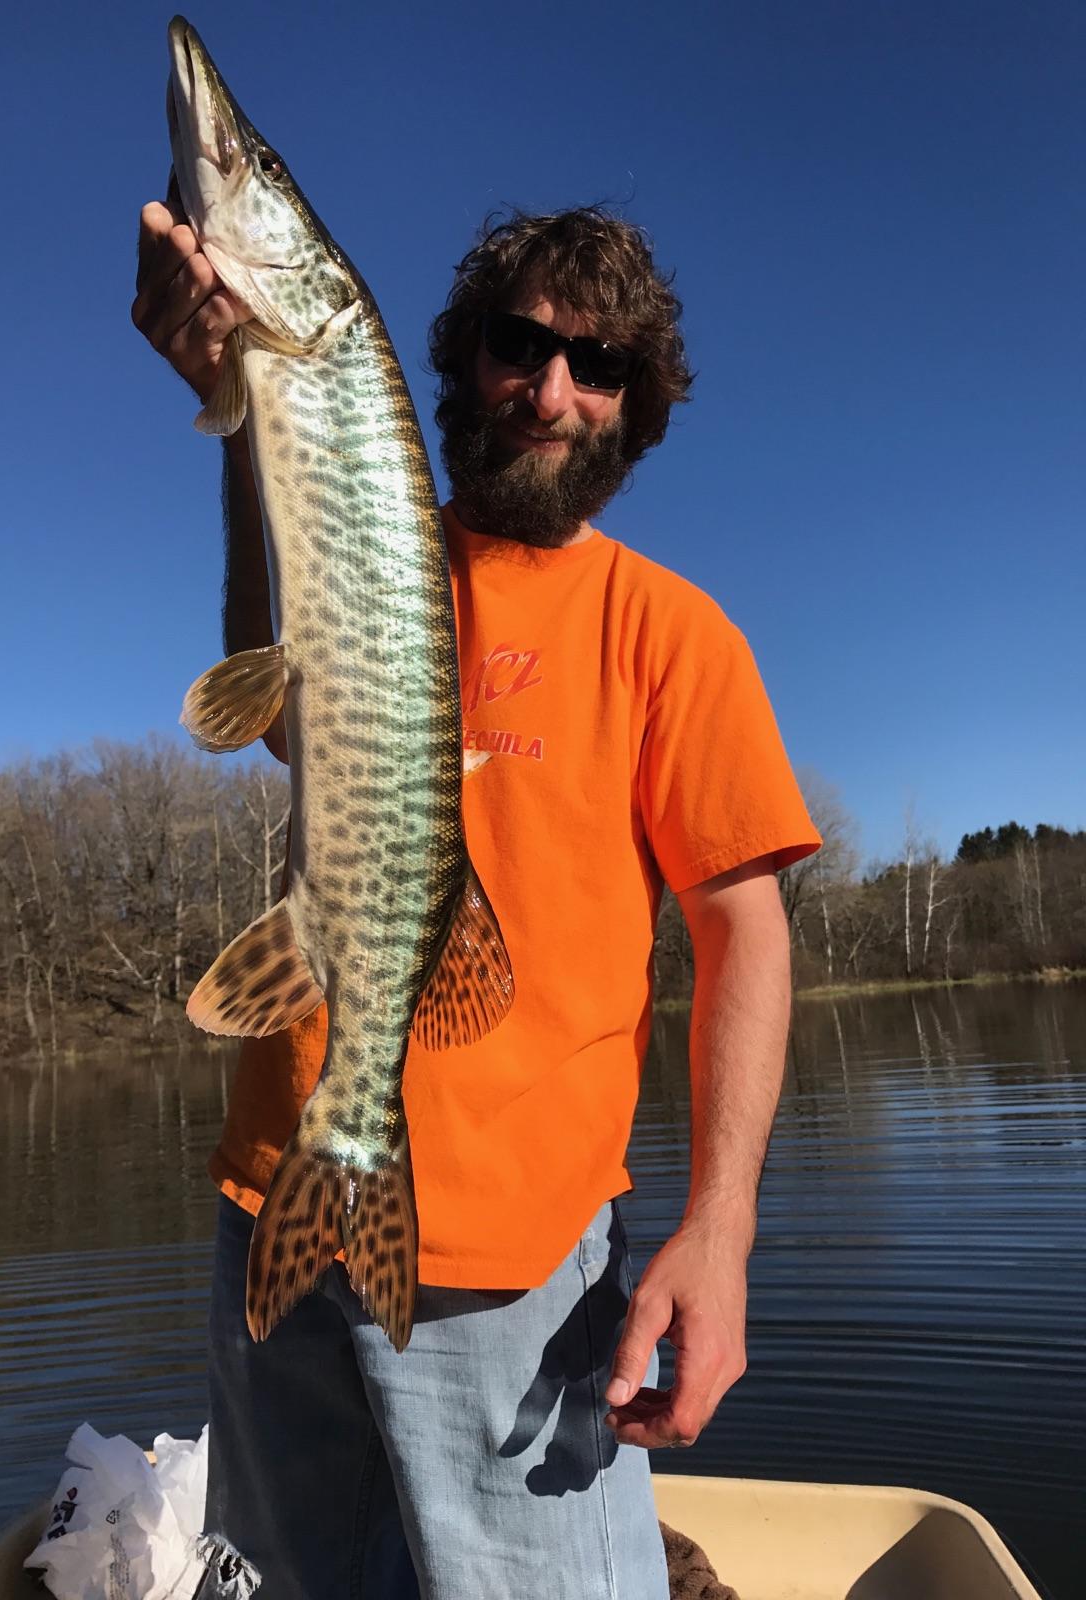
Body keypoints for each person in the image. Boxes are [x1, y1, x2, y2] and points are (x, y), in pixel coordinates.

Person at [132, 200, 821, 1599]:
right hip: (280, 1200)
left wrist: (724, 1227)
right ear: (463, 365)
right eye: (522, 343)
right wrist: (239, 399)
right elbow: (270, 662)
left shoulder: (674, 636)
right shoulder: (386, 541)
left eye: (601, 362)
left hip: (525, 1277)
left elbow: (745, 928)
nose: (554, 388)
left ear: (638, 407)